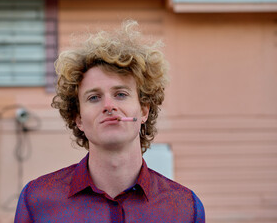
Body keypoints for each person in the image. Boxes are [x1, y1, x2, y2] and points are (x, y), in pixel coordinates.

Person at [14, 20, 205, 222]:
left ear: (143, 111)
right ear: (78, 119)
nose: (108, 105)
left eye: (121, 94)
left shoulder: (185, 208)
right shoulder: (37, 200)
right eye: (94, 97)